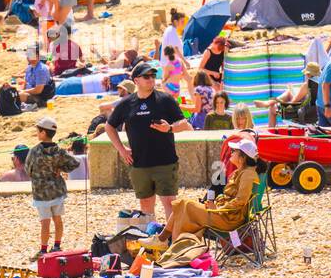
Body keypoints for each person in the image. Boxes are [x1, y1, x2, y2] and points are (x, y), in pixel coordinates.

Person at [105, 61, 191, 224]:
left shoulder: (165, 99)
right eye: (146, 76)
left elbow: (185, 123)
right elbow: (109, 126)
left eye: (153, 75)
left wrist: (170, 128)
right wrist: (122, 149)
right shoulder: (126, 103)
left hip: (164, 161)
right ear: (136, 80)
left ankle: (172, 242)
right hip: (139, 163)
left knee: (169, 203)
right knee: (145, 205)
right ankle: (152, 241)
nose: (151, 79)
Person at [140, 138, 259, 249]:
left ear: (242, 157)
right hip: (225, 214)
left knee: (185, 206)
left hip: (229, 219)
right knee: (181, 206)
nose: (231, 152)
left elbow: (241, 201)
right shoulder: (241, 172)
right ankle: (167, 243)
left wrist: (218, 208)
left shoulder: (247, 175)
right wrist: (215, 204)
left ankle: (167, 244)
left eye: (234, 151)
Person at [25, 116, 81, 257]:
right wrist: (61, 169)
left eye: (38, 131)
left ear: (43, 133)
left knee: (45, 222)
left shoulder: (34, 151)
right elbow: (75, 163)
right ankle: (57, 246)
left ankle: (43, 249)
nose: (37, 133)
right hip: (57, 190)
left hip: (40, 192)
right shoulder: (59, 151)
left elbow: (28, 169)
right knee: (57, 219)